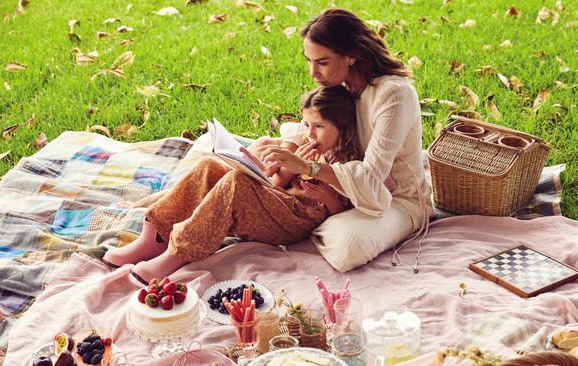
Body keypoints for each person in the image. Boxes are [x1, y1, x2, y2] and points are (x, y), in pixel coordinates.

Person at [103, 85, 361, 283]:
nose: (310, 133)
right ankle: (155, 235)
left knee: (236, 182)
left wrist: (327, 194)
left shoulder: (348, 164)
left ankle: (179, 252)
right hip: (277, 202)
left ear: (342, 128)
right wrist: (278, 168)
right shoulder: (306, 145)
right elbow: (278, 182)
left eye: (319, 126)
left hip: (295, 221)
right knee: (209, 165)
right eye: (307, 124)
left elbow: (345, 214)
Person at [260, 8, 432, 272]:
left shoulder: (394, 94)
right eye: (309, 60)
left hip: (398, 199)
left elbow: (372, 177)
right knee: (258, 150)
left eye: (322, 62)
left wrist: (307, 168)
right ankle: (320, 217)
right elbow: (309, 122)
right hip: (349, 188)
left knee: (349, 244)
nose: (313, 73)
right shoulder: (341, 82)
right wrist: (286, 154)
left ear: (351, 56)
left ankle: (319, 220)